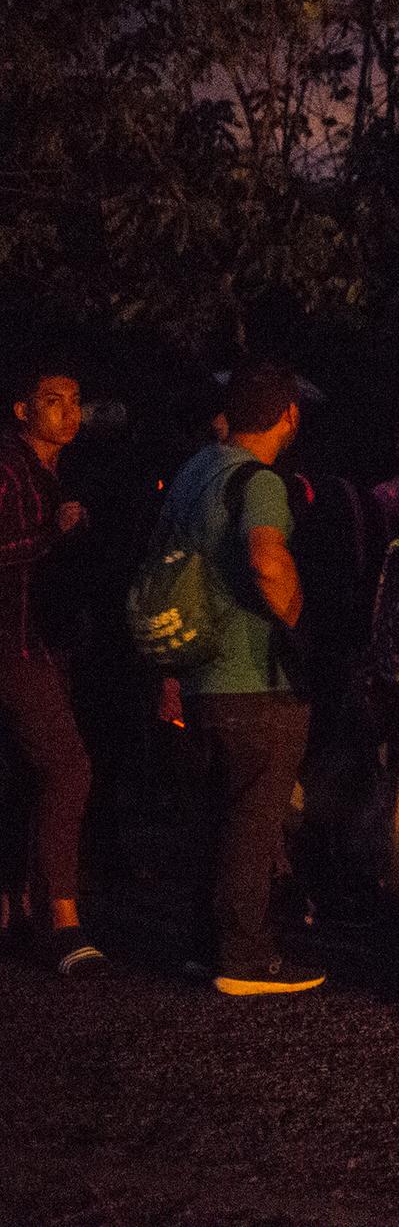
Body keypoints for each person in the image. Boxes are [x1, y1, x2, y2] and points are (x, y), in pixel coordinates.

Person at [158, 360, 320, 995]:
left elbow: (161, 567)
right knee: (255, 818)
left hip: (198, 675)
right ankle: (246, 956)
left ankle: (207, 944)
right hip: (253, 674)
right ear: (289, 417)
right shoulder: (260, 482)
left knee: (212, 817)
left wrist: (167, 673)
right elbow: (266, 557)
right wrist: (294, 612)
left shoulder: (194, 473)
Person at [0, 356, 107, 976]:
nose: (70, 412)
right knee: (69, 768)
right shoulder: (11, 471)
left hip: (44, 642)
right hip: (13, 646)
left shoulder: (54, 472)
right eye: (52, 401)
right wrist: (51, 532)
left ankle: (15, 911)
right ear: (22, 410)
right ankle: (62, 922)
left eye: (75, 400)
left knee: (23, 775)